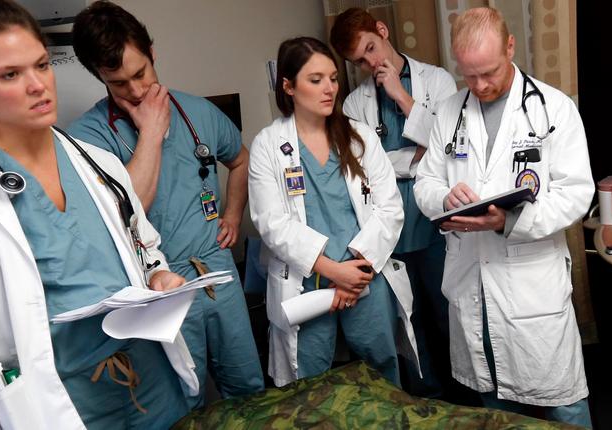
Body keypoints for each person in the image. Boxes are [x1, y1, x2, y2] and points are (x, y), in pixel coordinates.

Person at [0, 0, 196, 428]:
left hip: (152, 381)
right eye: (10, 74)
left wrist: (158, 278)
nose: (38, 85)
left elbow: (145, 247)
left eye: (42, 65)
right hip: (63, 403)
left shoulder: (99, 164)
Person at [67, 1, 263, 408]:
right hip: (159, 289)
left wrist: (232, 213)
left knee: (248, 392)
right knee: (180, 404)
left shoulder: (196, 111)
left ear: (153, 53)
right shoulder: (86, 139)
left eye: (140, 73)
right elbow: (126, 211)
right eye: (119, 83)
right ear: (98, 76)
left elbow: (240, 158)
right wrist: (152, 132)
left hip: (217, 274)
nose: (136, 91)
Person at [413, 7, 593, 428]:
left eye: (488, 73)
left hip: (531, 285)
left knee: (562, 400)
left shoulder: (553, 109)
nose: (479, 86)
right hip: (472, 280)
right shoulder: (448, 111)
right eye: (468, 75)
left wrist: (508, 221)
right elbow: (424, 183)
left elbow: (575, 195)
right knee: (495, 404)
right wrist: (444, 196)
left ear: (511, 47)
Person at [248, 36, 420, 388]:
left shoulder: (359, 137)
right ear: (288, 86)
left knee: (381, 370)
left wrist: (352, 270)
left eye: (333, 78)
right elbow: (271, 222)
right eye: (315, 80)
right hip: (309, 280)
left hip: (363, 275)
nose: (329, 89)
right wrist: (332, 271)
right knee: (309, 384)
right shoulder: (268, 145)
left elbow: (390, 208)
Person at [330, 7, 457, 397]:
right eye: (359, 60)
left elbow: (449, 147)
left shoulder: (437, 80)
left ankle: (465, 396)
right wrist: (411, 157)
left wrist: (400, 96)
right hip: (390, 234)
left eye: (371, 48)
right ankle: (428, 397)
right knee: (409, 321)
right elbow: (363, 170)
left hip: (434, 224)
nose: (371, 63)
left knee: (448, 314)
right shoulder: (353, 105)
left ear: (382, 31)